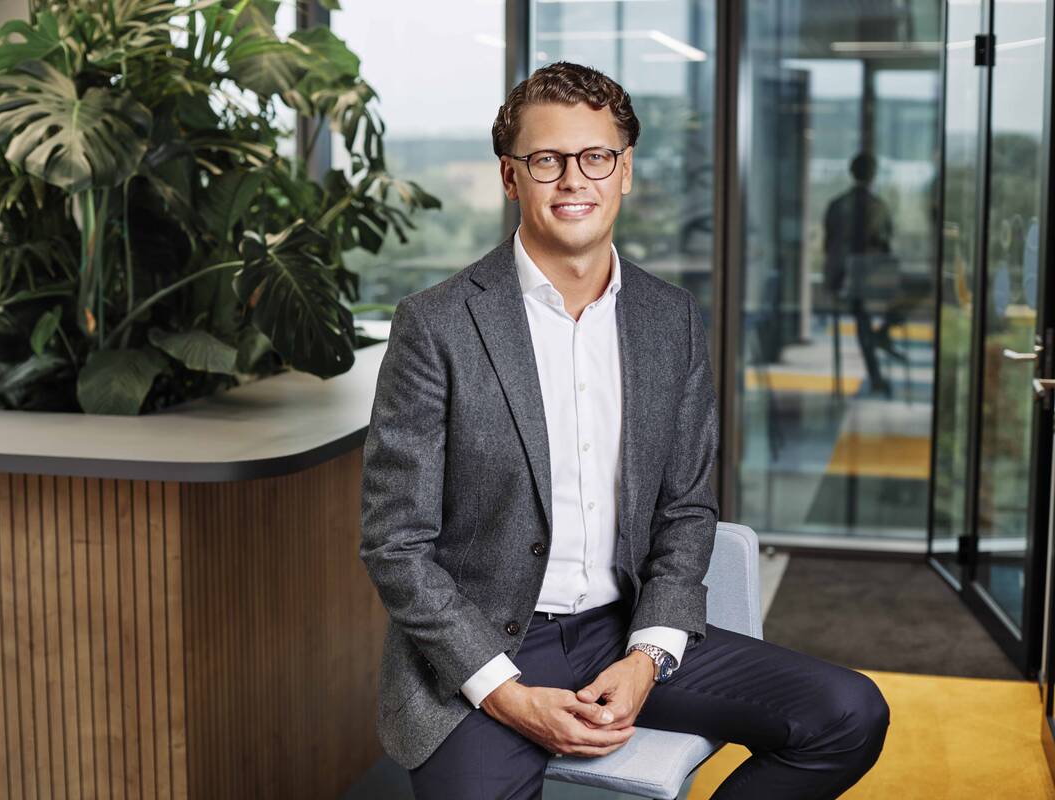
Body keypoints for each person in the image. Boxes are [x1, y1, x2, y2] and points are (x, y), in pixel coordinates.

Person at [360, 61, 890, 799]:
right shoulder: (438, 323)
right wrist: (506, 693)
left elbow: (686, 508)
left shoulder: (670, 319)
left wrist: (649, 656)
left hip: (623, 627)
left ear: (625, 171)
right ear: (511, 177)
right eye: (546, 160)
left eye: (596, 157)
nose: (573, 180)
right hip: (486, 643)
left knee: (848, 714)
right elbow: (396, 542)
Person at [823, 152, 904, 397]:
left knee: (863, 318)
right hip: (862, 281)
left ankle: (877, 367)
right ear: (872, 174)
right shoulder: (878, 206)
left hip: (843, 279)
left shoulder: (837, 205)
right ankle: (880, 343)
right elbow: (886, 244)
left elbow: (828, 245)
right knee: (870, 313)